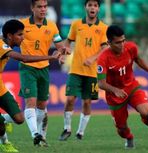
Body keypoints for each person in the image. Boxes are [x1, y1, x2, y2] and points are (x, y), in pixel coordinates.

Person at [97, 25, 148, 149]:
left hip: (132, 87)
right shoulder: (103, 58)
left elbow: (139, 60)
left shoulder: (131, 47)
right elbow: (100, 83)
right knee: (121, 128)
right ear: (109, 42)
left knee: (146, 112)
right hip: (115, 95)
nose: (122, 44)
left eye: (123, 40)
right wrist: (115, 90)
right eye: (118, 42)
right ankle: (129, 138)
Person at [0, 19, 60, 152]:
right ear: (10, 36)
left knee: (20, 119)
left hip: (1, 88)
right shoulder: (2, 46)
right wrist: (51, 57)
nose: (23, 37)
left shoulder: (4, 43)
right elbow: (24, 58)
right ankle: (5, 144)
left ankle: (3, 119)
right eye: (20, 35)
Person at [19, 0, 69, 146]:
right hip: (27, 68)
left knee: (41, 105)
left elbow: (59, 46)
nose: (43, 9)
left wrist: (61, 54)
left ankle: (41, 136)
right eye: (39, 7)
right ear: (32, 8)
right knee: (31, 102)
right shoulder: (22, 25)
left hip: (44, 69)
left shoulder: (52, 25)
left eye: (45, 6)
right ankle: (35, 134)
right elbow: (10, 39)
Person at [59, 0, 108, 141]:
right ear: (85, 7)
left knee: (87, 102)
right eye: (90, 5)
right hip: (75, 70)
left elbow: (105, 48)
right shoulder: (76, 24)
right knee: (69, 99)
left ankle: (80, 132)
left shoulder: (103, 28)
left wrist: (93, 58)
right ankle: (67, 128)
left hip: (92, 72)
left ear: (98, 9)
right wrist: (65, 50)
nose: (92, 7)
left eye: (95, 5)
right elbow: (68, 40)